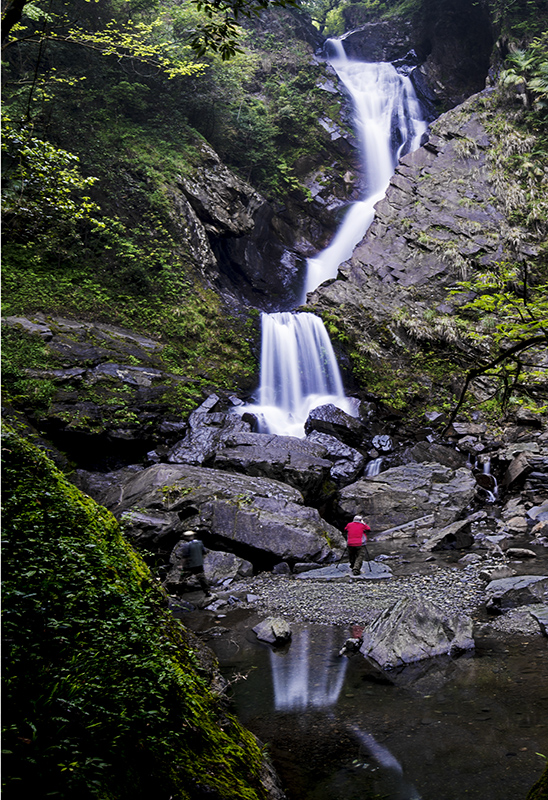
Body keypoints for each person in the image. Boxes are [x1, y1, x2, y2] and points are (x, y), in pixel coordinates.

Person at [180, 530, 211, 597]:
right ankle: (207, 591)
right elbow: (204, 552)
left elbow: (185, 557)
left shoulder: (186, 545)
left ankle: (178, 594)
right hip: (199, 563)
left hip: (190, 565)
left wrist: (182, 565)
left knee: (183, 578)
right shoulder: (200, 543)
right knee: (202, 578)